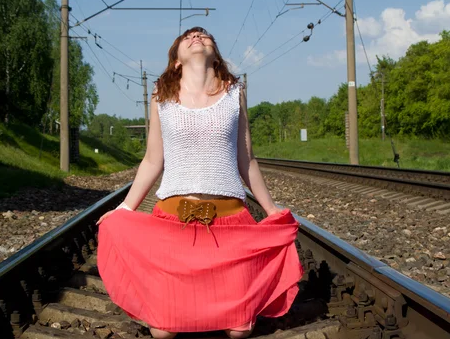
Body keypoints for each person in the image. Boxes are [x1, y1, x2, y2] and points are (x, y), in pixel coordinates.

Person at [96, 27, 303, 339]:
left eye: (204, 35)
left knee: (238, 331)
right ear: (176, 60)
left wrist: (271, 208)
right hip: (173, 224)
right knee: (163, 332)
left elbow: (246, 159)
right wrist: (125, 208)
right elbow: (153, 160)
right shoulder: (160, 95)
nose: (196, 36)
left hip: (229, 224)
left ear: (215, 55)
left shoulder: (235, 92)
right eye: (187, 36)